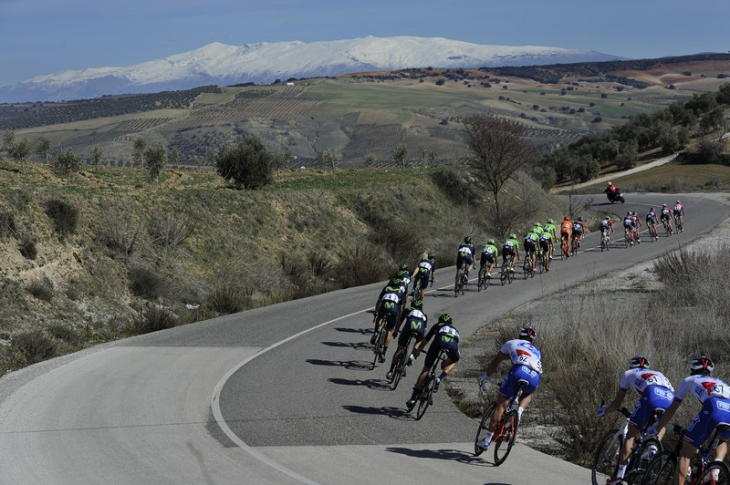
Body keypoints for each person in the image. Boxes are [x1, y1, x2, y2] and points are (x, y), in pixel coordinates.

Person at [651, 356, 730, 485]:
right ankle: (716, 468)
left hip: (713, 407)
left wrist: (659, 425)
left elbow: (671, 409)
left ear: (692, 368)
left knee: (685, 453)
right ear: (710, 372)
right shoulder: (721, 382)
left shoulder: (689, 380)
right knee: (722, 438)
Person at [597, 356, 675, 485]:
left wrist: (604, 411)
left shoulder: (628, 374)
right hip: (669, 396)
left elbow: (617, 404)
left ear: (631, 366)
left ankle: (619, 477)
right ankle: (653, 446)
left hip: (651, 393)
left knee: (631, 434)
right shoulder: (658, 373)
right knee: (660, 424)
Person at [476, 326, 542, 451]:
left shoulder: (511, 343)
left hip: (518, 371)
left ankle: (487, 440)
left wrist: (486, 375)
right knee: (528, 393)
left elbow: (497, 361)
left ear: (519, 335)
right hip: (535, 376)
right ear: (533, 340)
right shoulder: (537, 350)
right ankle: (519, 412)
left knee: (501, 405)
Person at [406, 313, 460, 410]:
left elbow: (425, 341)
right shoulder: (456, 330)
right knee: (456, 360)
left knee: (426, 369)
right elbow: (455, 349)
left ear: (440, 321)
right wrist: (445, 363)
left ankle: (413, 398)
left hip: (438, 343)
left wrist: (417, 352)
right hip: (452, 346)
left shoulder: (437, 326)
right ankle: (440, 378)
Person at [386, 299, 427, 381]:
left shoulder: (407, 310)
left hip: (408, 329)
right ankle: (412, 354)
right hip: (419, 331)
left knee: (400, 349)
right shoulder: (424, 315)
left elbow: (400, 322)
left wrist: (396, 331)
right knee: (419, 340)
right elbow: (424, 329)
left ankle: (391, 371)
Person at [370, 277, 407, 360]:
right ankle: (384, 352)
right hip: (393, 309)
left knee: (379, 318)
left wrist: (376, 312)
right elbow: (401, 308)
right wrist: (399, 318)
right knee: (389, 330)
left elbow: (378, 302)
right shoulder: (400, 291)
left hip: (384, 306)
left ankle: (376, 332)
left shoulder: (386, 288)